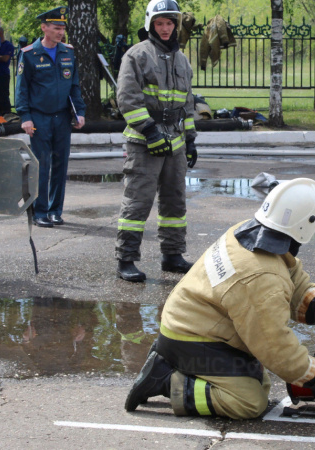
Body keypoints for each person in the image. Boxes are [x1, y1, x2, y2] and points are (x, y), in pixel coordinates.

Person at [124, 178, 315, 419]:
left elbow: (290, 271)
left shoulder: (250, 232)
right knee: (249, 402)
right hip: (191, 338)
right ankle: (167, 380)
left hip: (192, 322)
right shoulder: (261, 276)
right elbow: (274, 344)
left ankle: (176, 365)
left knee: (258, 380)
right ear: (307, 224)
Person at [114, 0, 198, 282]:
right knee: (137, 203)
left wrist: (191, 140)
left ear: (176, 25)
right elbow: (127, 98)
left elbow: (186, 103)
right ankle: (126, 259)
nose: (165, 28)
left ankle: (172, 255)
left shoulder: (182, 59)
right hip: (144, 143)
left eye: (170, 23)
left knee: (175, 204)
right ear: (151, 24)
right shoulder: (136, 56)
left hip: (174, 142)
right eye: (160, 23)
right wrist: (149, 131)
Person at [16, 6, 86, 228]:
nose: (61, 32)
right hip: (39, 118)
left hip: (62, 118)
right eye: (56, 28)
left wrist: (80, 112)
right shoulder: (29, 54)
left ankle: (56, 210)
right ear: (44, 28)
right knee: (41, 164)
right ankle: (40, 211)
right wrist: (25, 117)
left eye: (63, 28)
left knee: (60, 164)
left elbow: (74, 85)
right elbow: (22, 89)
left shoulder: (68, 52)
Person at [0, 26, 14, 114]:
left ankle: (6, 114)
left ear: (0, 34)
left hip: (3, 74)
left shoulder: (8, 45)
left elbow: (5, 58)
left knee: (4, 95)